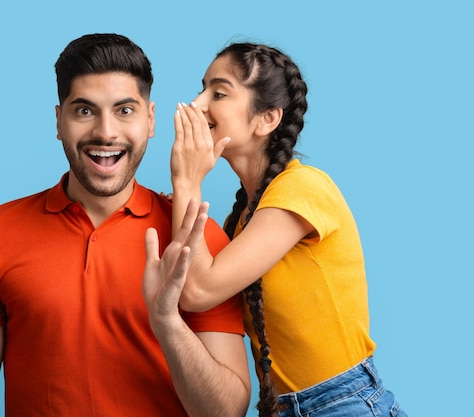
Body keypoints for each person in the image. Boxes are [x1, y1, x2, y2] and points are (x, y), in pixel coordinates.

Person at [0, 33, 251, 417]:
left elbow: (225, 412)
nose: (105, 132)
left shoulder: (197, 240)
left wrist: (167, 323)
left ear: (150, 120)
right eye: (84, 111)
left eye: (124, 111)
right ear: (59, 121)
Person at [165, 42, 408, 416]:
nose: (197, 104)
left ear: (267, 119)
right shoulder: (241, 220)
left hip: (342, 404)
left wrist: (187, 182)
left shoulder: (302, 188)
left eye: (218, 92)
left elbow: (196, 290)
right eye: (201, 89)